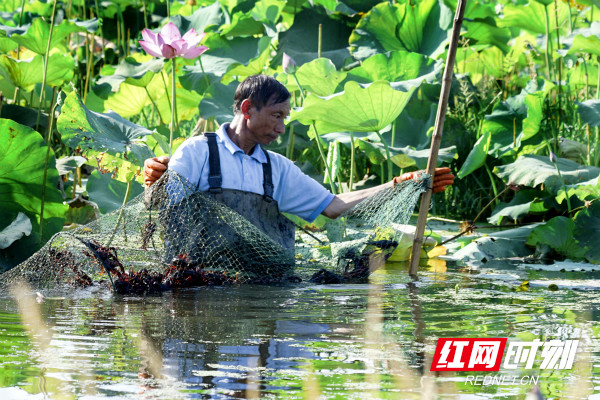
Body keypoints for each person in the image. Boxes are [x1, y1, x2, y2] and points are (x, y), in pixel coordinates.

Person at [144, 75, 454, 252]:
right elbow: (159, 205)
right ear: (248, 109)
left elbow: (334, 206)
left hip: (258, 286)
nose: (281, 128)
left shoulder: (277, 168)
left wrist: (400, 185)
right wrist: (154, 178)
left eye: (284, 119)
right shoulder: (197, 152)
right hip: (194, 285)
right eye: (276, 116)